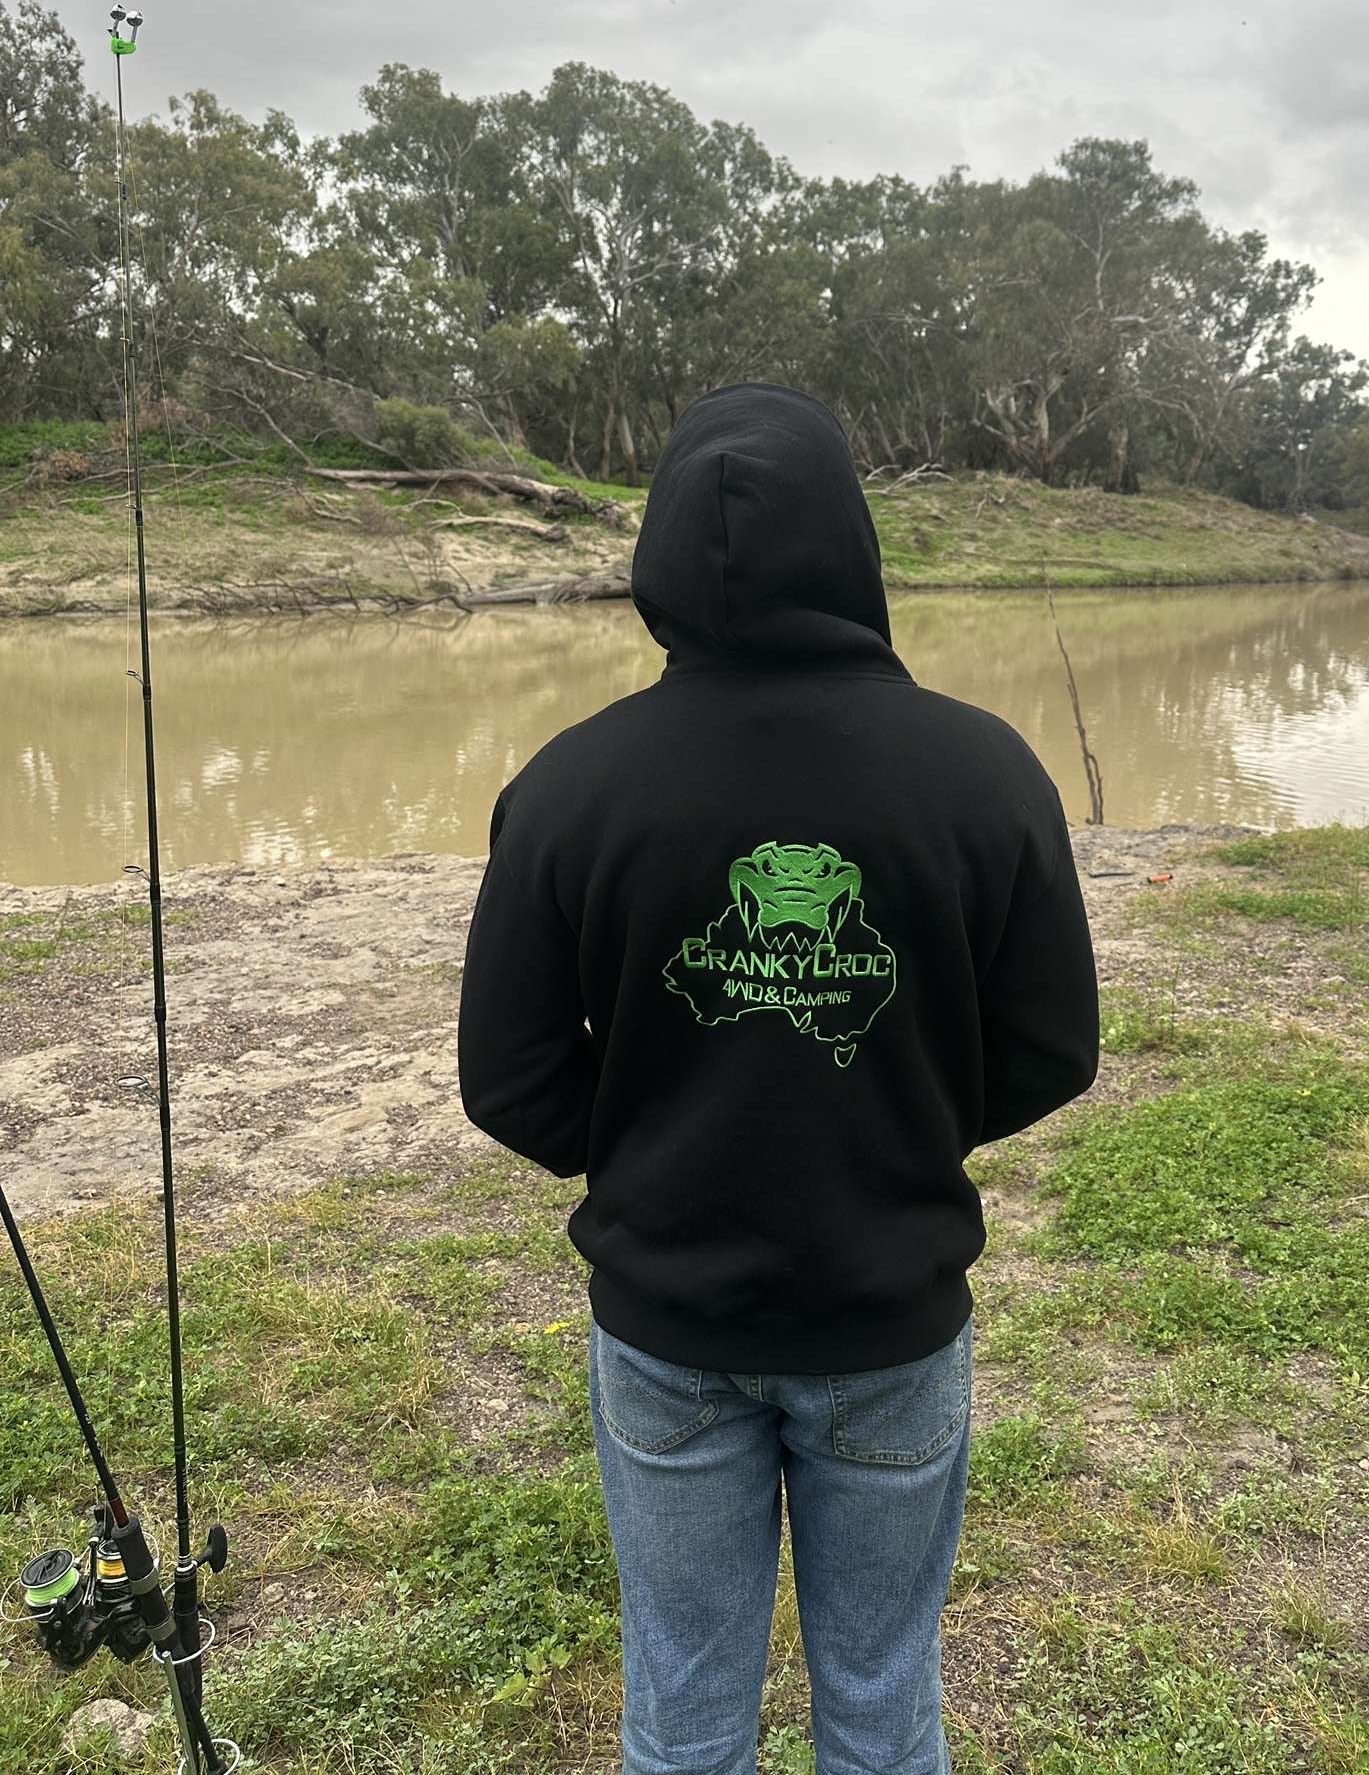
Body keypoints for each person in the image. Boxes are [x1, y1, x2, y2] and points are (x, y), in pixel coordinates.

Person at [458, 384, 1099, 1775]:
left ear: (659, 555)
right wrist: (906, 1120)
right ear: (853, 543)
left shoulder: (567, 788)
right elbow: (1052, 1050)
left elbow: (507, 1082)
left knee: (682, 1711)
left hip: (667, 1324)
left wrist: (643, 1141)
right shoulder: (988, 776)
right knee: (881, 1698)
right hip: (893, 1321)